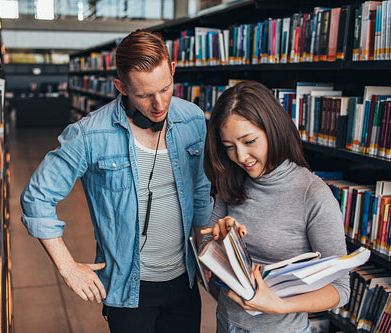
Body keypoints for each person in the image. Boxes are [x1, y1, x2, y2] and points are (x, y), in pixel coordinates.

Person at [20, 29, 213, 333]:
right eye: (144, 95)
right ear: (121, 87)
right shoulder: (90, 134)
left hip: (185, 281)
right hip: (128, 291)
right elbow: (36, 199)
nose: (159, 104)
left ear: (173, 70)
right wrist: (68, 268)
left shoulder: (192, 119)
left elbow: (201, 192)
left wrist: (210, 253)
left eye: (165, 88)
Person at [201, 81, 350, 333]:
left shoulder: (312, 195)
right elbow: (205, 250)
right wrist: (221, 238)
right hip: (227, 322)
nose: (241, 157)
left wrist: (278, 305)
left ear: (273, 130)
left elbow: (340, 289)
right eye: (229, 147)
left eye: (249, 141)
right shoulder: (232, 180)